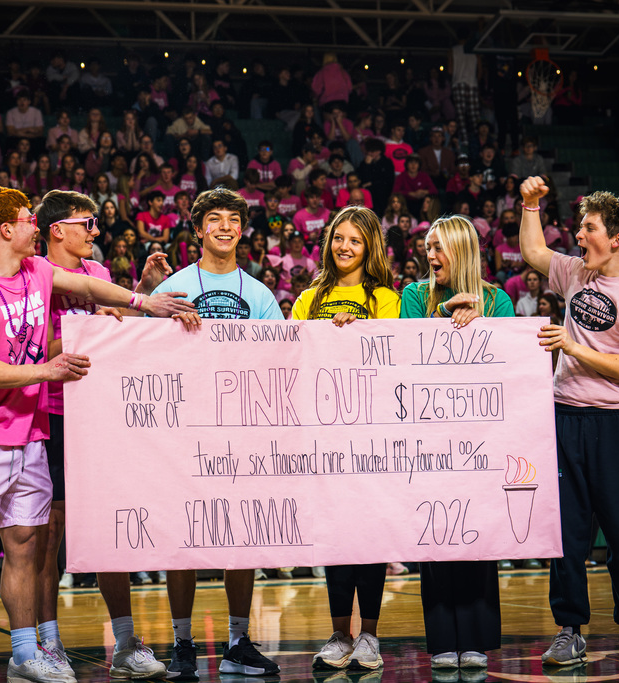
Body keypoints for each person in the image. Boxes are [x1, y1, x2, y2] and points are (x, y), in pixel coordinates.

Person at [518, 175, 619, 666]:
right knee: (567, 531)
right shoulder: (576, 273)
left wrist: (571, 346)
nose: (579, 235)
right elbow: (534, 253)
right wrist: (528, 206)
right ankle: (569, 629)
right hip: (564, 415)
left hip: (613, 423)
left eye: (588, 228)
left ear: (617, 238)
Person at [37, 190, 179, 679]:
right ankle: (48, 645)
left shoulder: (97, 275)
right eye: (88, 223)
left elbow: (115, 328)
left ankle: (124, 643)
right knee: (48, 534)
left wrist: (141, 289)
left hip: (97, 414)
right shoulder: (35, 276)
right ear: (57, 229)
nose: (96, 231)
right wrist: (85, 331)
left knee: (109, 531)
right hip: (50, 412)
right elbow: (32, 356)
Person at [151, 188, 282, 679]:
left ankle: (238, 641)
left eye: (233, 219)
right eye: (215, 219)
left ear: (241, 229)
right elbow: (150, 360)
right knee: (183, 535)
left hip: (242, 431)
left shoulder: (261, 295)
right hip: (185, 430)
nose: (225, 227)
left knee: (241, 535)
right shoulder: (176, 286)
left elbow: (276, 363)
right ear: (198, 228)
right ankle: (183, 641)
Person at [400, 215, 513, 671]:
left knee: (477, 535)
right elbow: (406, 353)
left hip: (480, 437)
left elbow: (507, 361)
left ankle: (477, 639)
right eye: (428, 247)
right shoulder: (414, 295)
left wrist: (481, 322)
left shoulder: (497, 299)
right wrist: (444, 317)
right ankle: (444, 638)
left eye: (440, 248)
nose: (431, 256)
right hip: (428, 436)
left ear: (463, 250)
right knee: (436, 534)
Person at [294, 206, 400, 672]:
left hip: (372, 432)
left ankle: (370, 635)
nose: (345, 247)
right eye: (339, 238)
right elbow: (292, 356)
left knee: (370, 534)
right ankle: (340, 633)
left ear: (369, 246)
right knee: (335, 535)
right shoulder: (308, 299)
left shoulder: (385, 298)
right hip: (324, 433)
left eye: (355, 240)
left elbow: (393, 355)